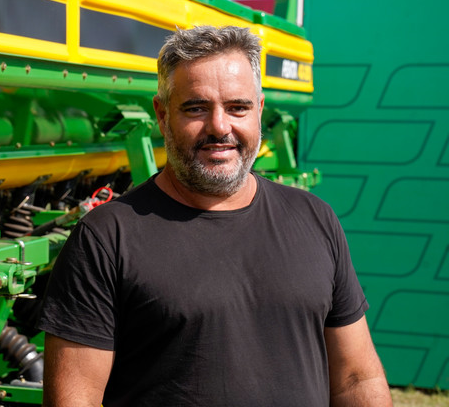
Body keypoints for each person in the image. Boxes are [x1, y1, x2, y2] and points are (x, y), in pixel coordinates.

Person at [37, 25, 392, 406]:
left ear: (259, 110)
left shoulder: (315, 219)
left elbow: (356, 378)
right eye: (196, 108)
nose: (220, 127)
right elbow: (76, 399)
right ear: (162, 114)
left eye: (237, 107)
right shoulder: (107, 237)